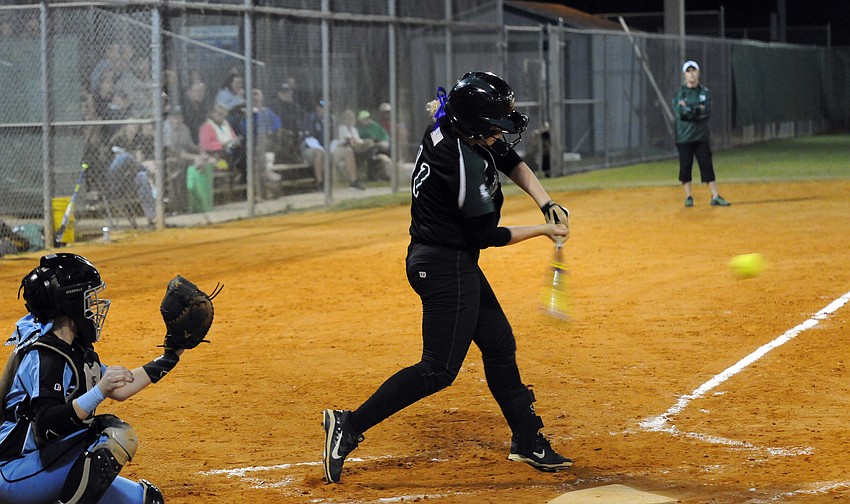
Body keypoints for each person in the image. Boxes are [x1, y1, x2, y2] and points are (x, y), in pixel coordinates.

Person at [322, 71, 573, 484]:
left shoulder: (452, 125)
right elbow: (485, 235)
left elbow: (507, 158)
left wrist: (545, 202)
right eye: (493, 128)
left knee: (497, 344)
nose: (500, 135)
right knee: (438, 368)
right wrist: (543, 231)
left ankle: (527, 440)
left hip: (449, 258)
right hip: (443, 265)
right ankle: (348, 425)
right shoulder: (461, 162)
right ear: (473, 126)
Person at [0, 253, 184, 503]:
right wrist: (99, 392)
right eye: (88, 297)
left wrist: (171, 356)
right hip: (14, 470)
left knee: (146, 500)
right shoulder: (45, 355)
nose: (93, 305)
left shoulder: (74, 349)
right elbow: (46, 425)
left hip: (43, 462)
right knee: (111, 434)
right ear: (70, 301)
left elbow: (120, 387)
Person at [673, 60, 730, 207]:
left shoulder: (704, 92)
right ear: (684, 75)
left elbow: (706, 112)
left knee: (706, 165)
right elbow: (681, 113)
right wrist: (696, 109)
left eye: (694, 71)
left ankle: (715, 196)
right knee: (685, 166)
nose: (691, 74)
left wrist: (690, 109)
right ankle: (689, 196)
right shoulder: (680, 93)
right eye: (688, 71)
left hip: (701, 136)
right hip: (684, 136)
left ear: (698, 73)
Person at [355, 109, 392, 181]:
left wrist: (383, 141)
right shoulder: (359, 129)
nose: (367, 120)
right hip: (366, 148)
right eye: (365, 119)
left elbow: (384, 135)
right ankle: (372, 176)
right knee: (372, 152)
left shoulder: (375, 125)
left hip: (379, 144)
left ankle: (388, 174)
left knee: (388, 148)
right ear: (360, 120)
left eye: (368, 118)